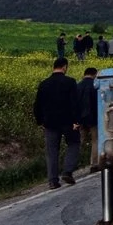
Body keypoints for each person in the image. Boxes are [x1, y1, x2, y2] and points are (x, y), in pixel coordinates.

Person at [33, 57, 80, 189]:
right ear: (64, 67)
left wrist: (40, 121)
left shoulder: (44, 84)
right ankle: (67, 171)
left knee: (52, 150)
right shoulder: (70, 82)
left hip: (49, 122)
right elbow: (74, 103)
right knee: (74, 143)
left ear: (54, 67)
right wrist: (77, 120)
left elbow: (37, 105)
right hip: (68, 120)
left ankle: (53, 181)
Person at [76, 67, 100, 172]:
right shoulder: (95, 86)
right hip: (93, 118)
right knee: (95, 140)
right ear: (94, 75)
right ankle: (94, 164)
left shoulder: (77, 86)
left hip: (80, 118)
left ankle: (71, 166)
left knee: (78, 142)